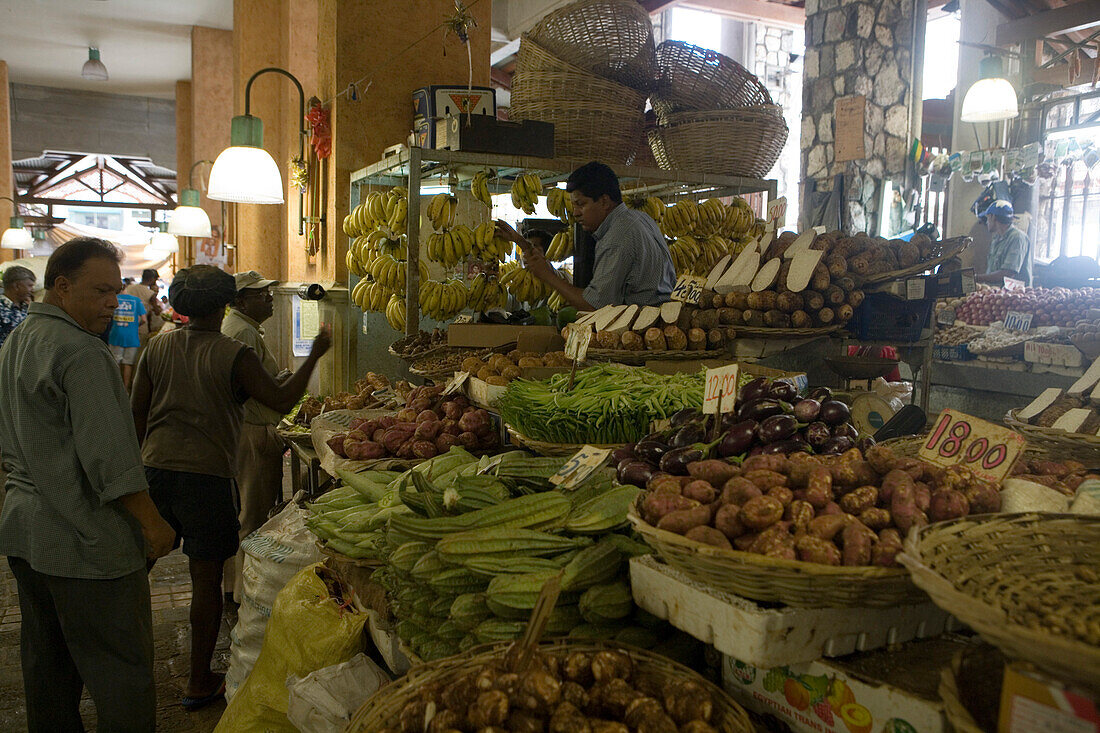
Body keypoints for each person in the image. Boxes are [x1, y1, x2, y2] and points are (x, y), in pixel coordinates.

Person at [131, 265, 330, 710]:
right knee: (204, 578)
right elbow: (280, 400)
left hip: (156, 471)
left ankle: (123, 667)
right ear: (227, 303)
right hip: (207, 478)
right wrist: (315, 354)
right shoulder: (233, 354)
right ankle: (199, 681)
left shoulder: (157, 348)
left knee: (136, 572)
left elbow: (137, 417)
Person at [0, 237, 175, 732]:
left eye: (115, 292)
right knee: (120, 671)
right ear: (60, 287)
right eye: (99, 292)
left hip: (27, 534)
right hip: (85, 542)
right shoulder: (82, 353)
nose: (111, 304)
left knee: (48, 667)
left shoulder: (19, 341)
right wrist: (152, 523)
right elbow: (110, 460)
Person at [496, 161, 676, 310]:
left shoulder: (617, 236)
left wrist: (547, 276)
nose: (575, 213)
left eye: (581, 204)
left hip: (641, 331)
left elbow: (594, 304)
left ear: (604, 201)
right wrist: (522, 243)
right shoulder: (640, 218)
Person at [221, 270, 287, 602]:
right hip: (252, 430)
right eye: (262, 295)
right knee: (254, 513)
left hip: (249, 427)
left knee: (247, 510)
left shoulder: (243, 328)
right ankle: (245, 593)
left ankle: (236, 584)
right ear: (242, 300)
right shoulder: (241, 332)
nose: (270, 299)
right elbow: (251, 387)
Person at [976, 200, 1032, 286]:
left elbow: (1008, 273)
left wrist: (976, 278)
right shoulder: (997, 238)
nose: (987, 222)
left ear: (993, 217)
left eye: (987, 218)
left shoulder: (1017, 238)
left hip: (1014, 296)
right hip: (996, 293)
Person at [107, 289, 147, 390]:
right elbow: (144, 319)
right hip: (132, 336)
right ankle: (125, 389)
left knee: (115, 362)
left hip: (116, 335)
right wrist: (134, 326)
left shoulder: (114, 299)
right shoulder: (136, 300)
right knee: (128, 363)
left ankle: (115, 387)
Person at [125, 268, 164, 345]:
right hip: (140, 327)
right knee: (138, 354)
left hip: (126, 324)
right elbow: (157, 312)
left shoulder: (129, 288)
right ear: (152, 279)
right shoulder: (149, 293)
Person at [0, 265, 36, 348]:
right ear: (17, 286)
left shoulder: (27, 307)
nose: (32, 290)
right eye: (30, 286)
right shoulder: (2, 309)